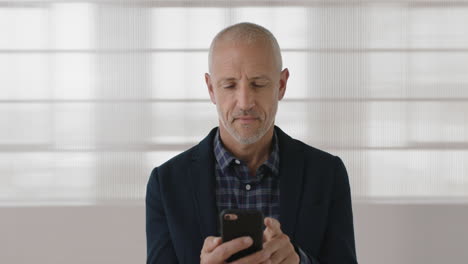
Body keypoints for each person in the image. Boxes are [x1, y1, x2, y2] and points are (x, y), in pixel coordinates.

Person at [146, 22, 358, 264]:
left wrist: (299, 261)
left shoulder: (327, 174)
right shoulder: (167, 183)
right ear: (211, 89)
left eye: (258, 84)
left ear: (281, 84)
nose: (245, 102)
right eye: (229, 85)